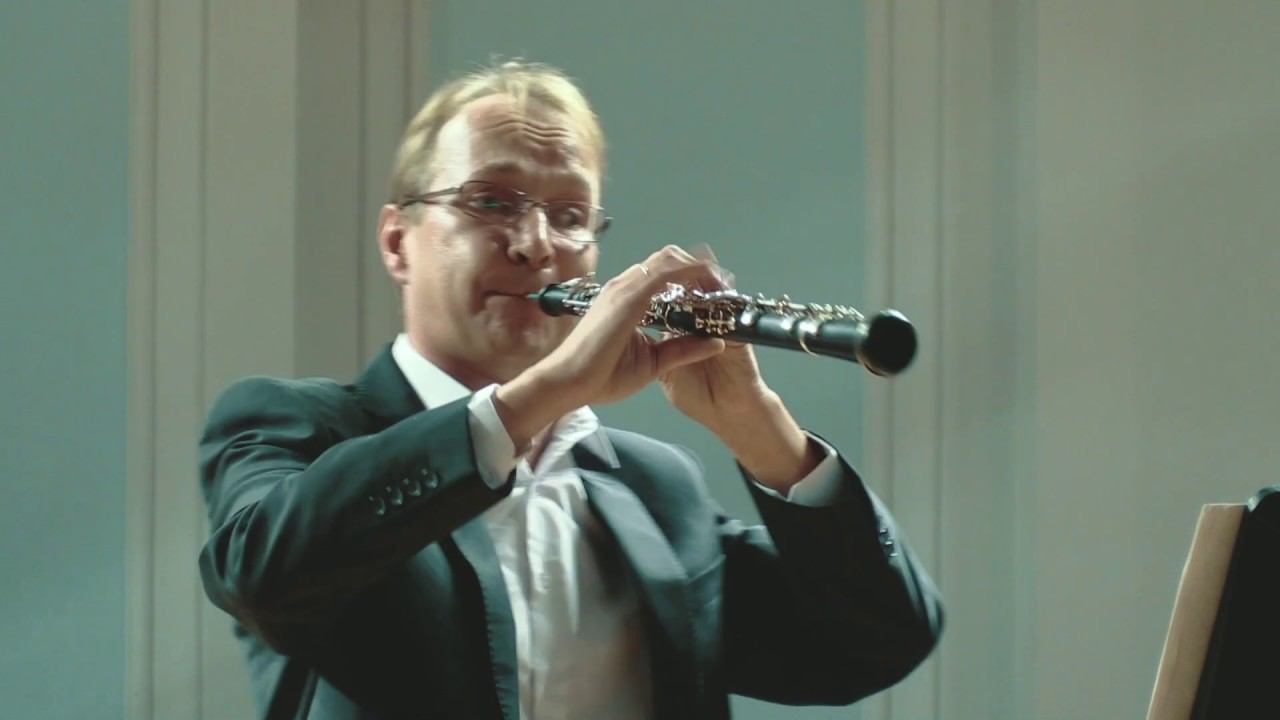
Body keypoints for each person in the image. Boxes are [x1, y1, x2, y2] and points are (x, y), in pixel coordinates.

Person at [198, 60, 943, 720]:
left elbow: (876, 644)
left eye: (569, 217)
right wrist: (541, 394)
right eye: (491, 202)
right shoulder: (294, 423)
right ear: (398, 242)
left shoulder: (657, 488)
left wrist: (760, 430)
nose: (536, 246)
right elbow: (262, 576)